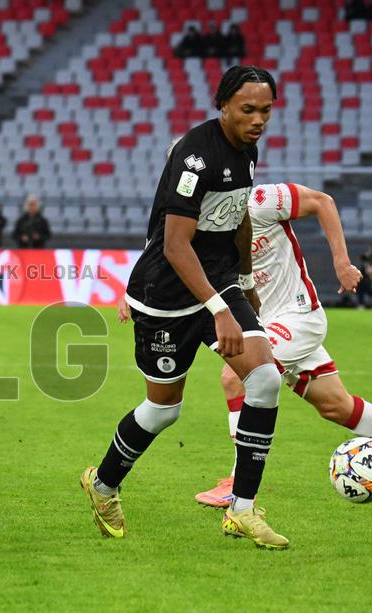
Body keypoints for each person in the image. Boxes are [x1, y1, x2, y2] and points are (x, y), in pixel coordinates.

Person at [80, 66, 289, 549]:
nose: (258, 120)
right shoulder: (196, 156)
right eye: (248, 109)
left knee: (264, 379)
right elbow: (175, 245)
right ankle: (103, 484)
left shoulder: (247, 150)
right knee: (163, 410)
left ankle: (242, 510)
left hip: (217, 282)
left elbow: (238, 219)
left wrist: (243, 284)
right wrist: (219, 309)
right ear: (223, 106)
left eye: (266, 110)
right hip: (166, 294)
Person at [193, 183, 372, 508]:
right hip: (267, 325)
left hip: (299, 316)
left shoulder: (260, 200)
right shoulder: (204, 228)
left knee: (236, 374)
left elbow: (323, 201)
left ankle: (238, 482)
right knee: (337, 406)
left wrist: (341, 263)